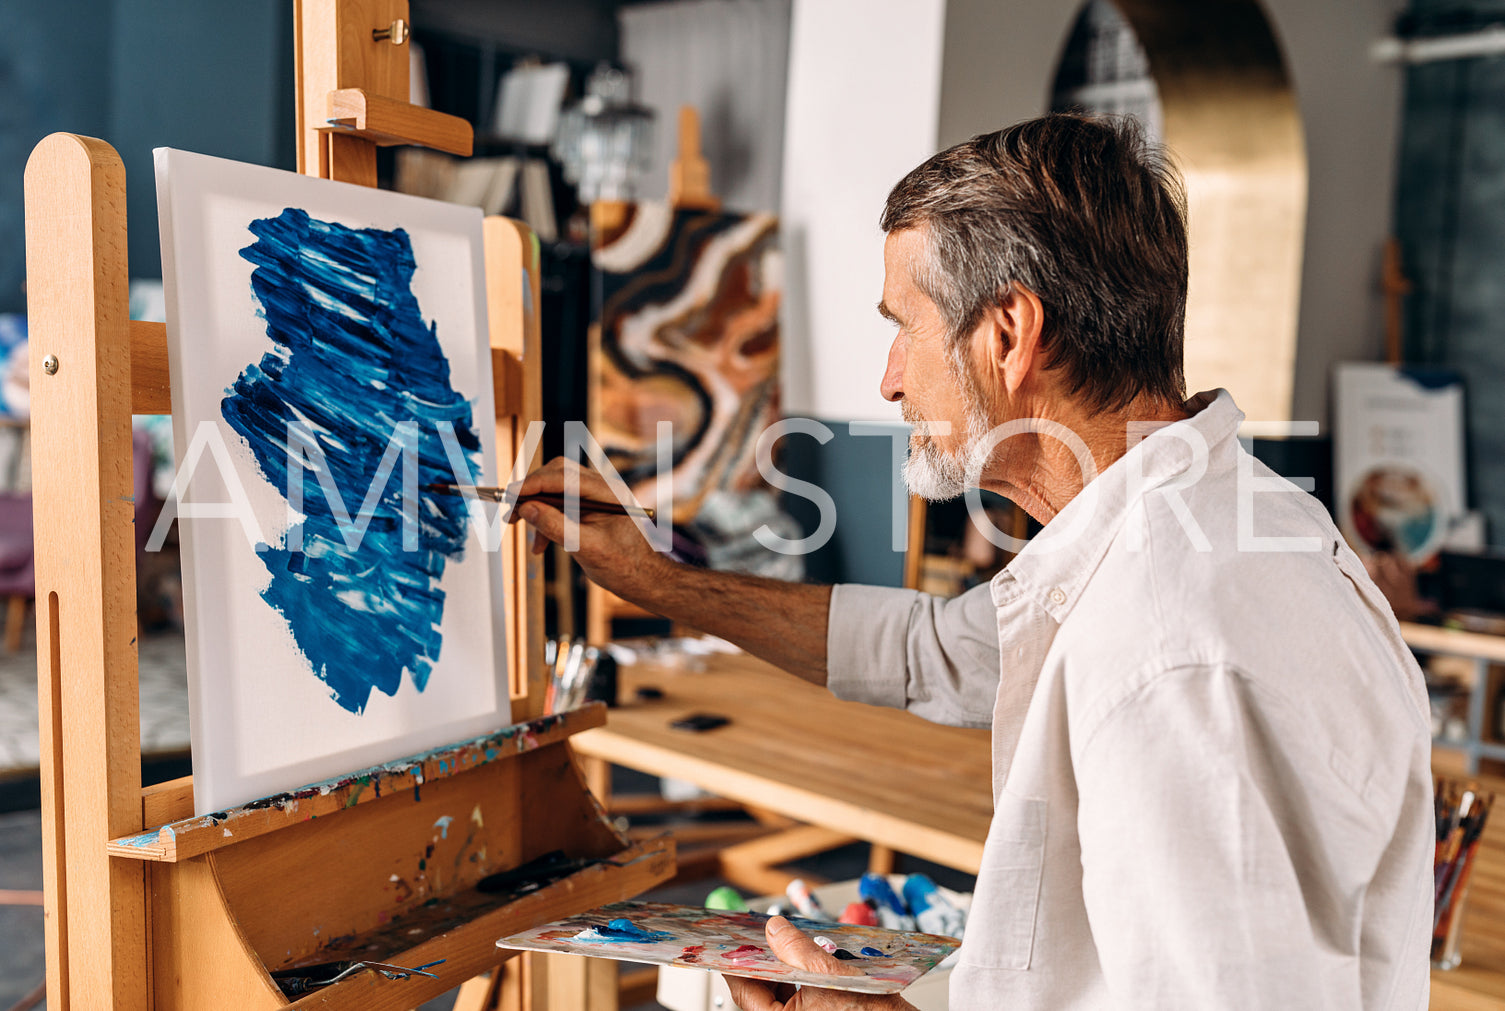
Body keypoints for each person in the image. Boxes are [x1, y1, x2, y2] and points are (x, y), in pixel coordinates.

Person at [508, 115, 1433, 1010]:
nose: (889, 377)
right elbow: (932, 652)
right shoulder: (1202, 523)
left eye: (903, 325)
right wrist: (661, 581)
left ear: (1007, 334)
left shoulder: (1168, 648)